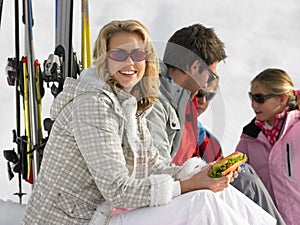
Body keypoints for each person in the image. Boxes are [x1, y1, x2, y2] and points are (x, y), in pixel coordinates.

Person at [22, 19, 276, 225]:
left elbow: (153, 166)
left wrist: (202, 173)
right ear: (104, 59)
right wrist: (189, 184)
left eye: (137, 54)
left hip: (104, 214)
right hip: (79, 220)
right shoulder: (93, 105)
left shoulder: (131, 104)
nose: (130, 62)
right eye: (118, 54)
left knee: (222, 192)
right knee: (201, 203)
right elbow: (117, 190)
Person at [147, 23, 284, 224]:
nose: (206, 85)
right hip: (158, 194)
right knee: (241, 182)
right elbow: (156, 169)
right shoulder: (154, 102)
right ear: (194, 67)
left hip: (177, 186)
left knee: (243, 176)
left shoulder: (181, 101)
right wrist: (201, 175)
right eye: (210, 75)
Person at [194, 88, 286, 225]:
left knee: (246, 172)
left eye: (209, 96)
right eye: (200, 94)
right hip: (191, 182)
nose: (203, 101)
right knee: (246, 180)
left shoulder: (203, 135)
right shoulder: (249, 138)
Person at [235, 68, 300, 225]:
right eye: (251, 97)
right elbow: (238, 180)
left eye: (259, 98)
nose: (253, 104)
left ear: (282, 99)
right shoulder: (249, 138)